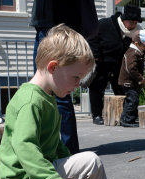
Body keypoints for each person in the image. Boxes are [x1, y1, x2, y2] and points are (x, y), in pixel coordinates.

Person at [0, 24, 111, 179]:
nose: (77, 85)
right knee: (91, 163)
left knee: (85, 164)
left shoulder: (46, 96)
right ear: (53, 67)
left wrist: (66, 160)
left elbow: (52, 144)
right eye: (76, 77)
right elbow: (25, 146)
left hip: (33, 178)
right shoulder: (31, 101)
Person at [30, 0, 99, 154]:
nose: (77, 85)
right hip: (47, 24)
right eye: (77, 78)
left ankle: (67, 152)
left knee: (59, 96)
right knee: (42, 90)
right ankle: (57, 150)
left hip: (58, 23)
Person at [88, 4, 143, 125]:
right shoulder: (105, 24)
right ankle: (97, 115)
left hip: (119, 65)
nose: (133, 25)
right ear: (124, 20)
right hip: (102, 63)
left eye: (135, 22)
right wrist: (96, 55)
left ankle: (125, 114)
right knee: (97, 88)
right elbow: (91, 38)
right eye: (131, 22)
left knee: (121, 89)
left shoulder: (137, 30)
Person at [118, 30, 145, 127]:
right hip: (128, 82)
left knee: (131, 100)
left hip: (130, 82)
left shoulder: (135, 52)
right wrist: (140, 79)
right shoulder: (133, 53)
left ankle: (126, 118)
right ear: (136, 43)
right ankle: (127, 120)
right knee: (133, 100)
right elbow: (131, 69)